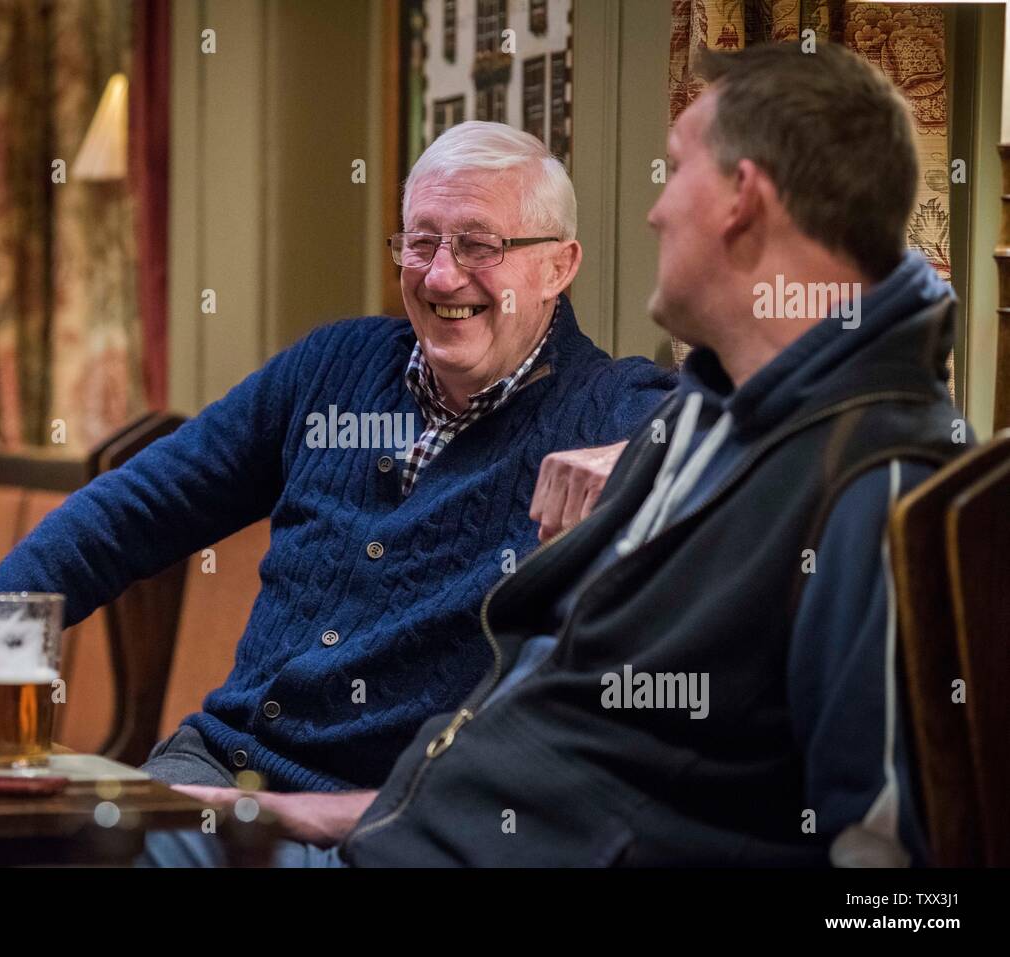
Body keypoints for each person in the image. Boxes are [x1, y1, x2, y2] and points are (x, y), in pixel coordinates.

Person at [146, 41, 961, 867]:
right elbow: (550, 741)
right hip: (374, 832)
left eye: (675, 170)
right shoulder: (710, 426)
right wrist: (293, 816)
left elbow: (891, 871)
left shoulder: (875, 477)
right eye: (421, 240)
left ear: (741, 200)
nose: (653, 211)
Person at [0, 121, 675, 793]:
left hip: (390, 813)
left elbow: (768, 431)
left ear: (557, 266)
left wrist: (644, 452)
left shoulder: (610, 406)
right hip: (212, 767)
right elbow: (134, 507)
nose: (439, 274)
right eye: (418, 242)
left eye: (478, 245)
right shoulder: (332, 368)